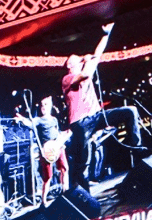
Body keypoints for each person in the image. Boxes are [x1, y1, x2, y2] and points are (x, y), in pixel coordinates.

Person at [61, 24, 142, 185]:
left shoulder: (85, 72)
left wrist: (106, 34)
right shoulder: (67, 79)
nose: (81, 60)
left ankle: (137, 148)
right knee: (83, 161)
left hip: (96, 116)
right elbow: (87, 73)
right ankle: (82, 195)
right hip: (81, 123)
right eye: (77, 60)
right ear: (71, 66)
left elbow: (98, 54)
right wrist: (87, 60)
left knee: (130, 111)